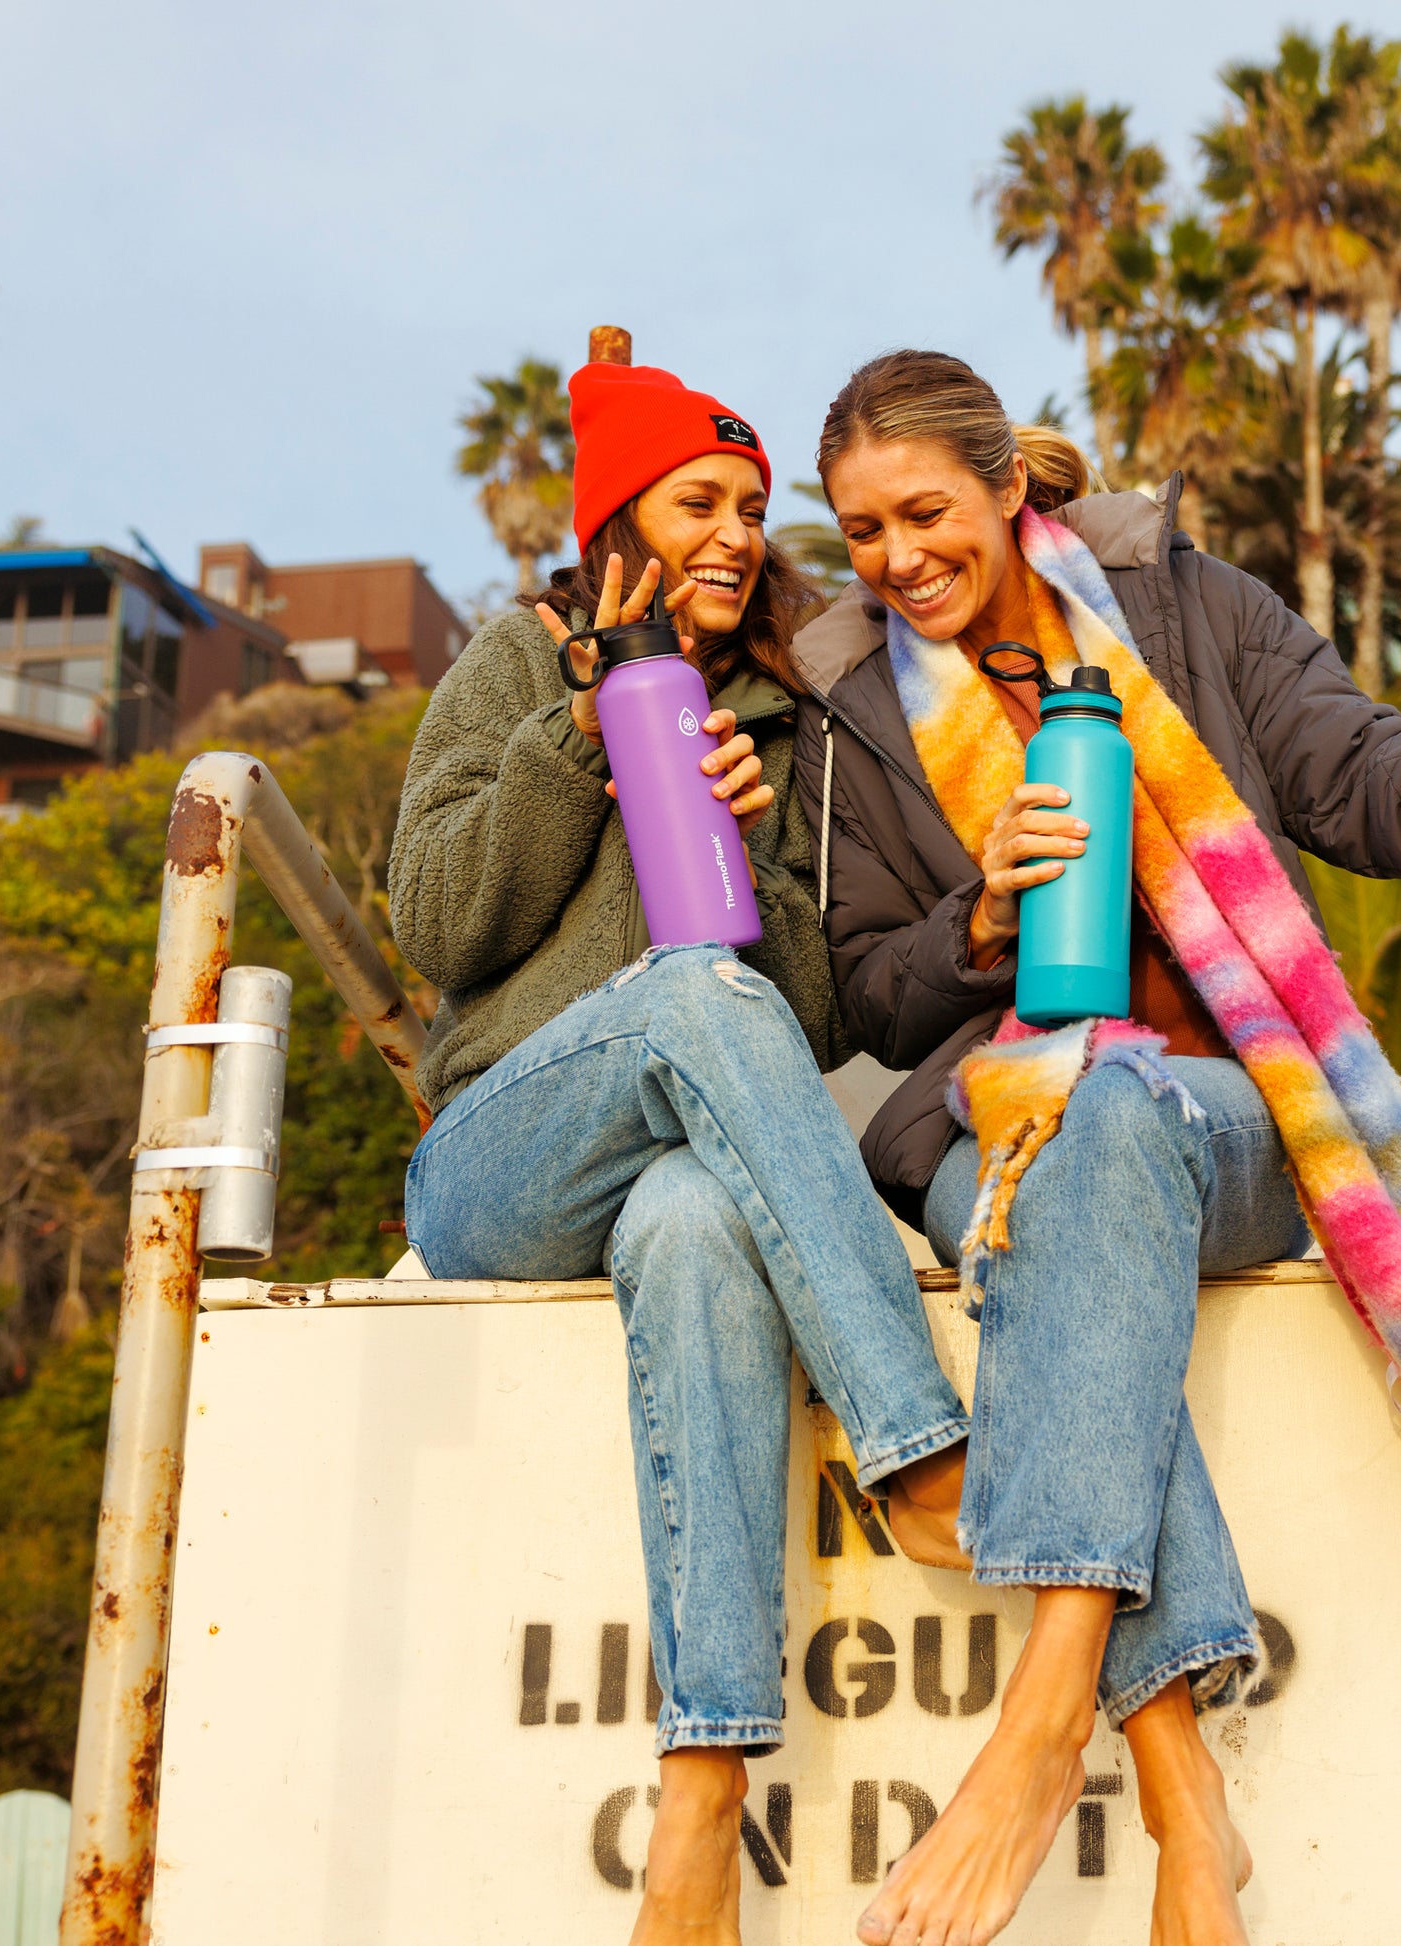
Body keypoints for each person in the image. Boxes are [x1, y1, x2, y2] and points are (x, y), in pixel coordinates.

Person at [796, 348, 1401, 1946]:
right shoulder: (851, 717)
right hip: (987, 1127)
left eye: (924, 511)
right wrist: (978, 918)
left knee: (1115, 1107)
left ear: (1009, 492)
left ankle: (1049, 1702)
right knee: (1071, 1130)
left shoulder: (1189, 611)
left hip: (1227, 1112)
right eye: (858, 531)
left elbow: (1362, 778)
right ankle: (1186, 1804)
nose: (895, 560)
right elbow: (862, 982)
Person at [390, 353, 971, 1946]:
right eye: (698, 502)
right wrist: (585, 738)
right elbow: (437, 920)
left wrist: (737, 836)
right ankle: (916, 1437)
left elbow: (817, 1012)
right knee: (686, 1000)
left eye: (750, 511)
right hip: (504, 1157)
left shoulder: (778, 720)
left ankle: (700, 1801)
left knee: (703, 1225)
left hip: (669, 1162)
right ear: (617, 516)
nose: (733, 535)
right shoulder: (515, 661)